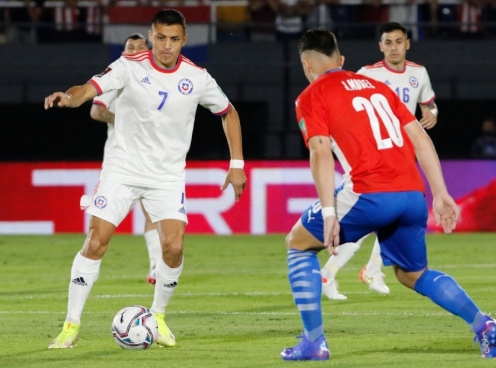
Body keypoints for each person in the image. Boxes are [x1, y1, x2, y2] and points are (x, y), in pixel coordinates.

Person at [280, 28, 496, 360]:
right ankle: (485, 327)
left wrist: (328, 213)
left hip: (370, 192)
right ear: (340, 60)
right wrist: (440, 193)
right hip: (411, 193)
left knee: (298, 243)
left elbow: (320, 151)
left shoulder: (312, 95)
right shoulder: (378, 87)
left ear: (307, 65)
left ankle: (313, 342)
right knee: (413, 274)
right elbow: (421, 139)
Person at [44, 9, 247, 349]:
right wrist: (70, 98)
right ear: (151, 36)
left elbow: (229, 113)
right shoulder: (128, 66)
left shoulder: (198, 77)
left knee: (174, 246)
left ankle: (158, 317)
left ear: (184, 40)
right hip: (122, 169)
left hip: (166, 176)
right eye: (161, 37)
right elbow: (88, 89)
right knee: (96, 242)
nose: (167, 46)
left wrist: (237, 163)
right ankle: (71, 325)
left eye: (175, 39)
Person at [321, 21, 439, 300]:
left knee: (391, 217)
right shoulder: (367, 74)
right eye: (388, 42)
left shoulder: (418, 73)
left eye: (398, 42)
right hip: (371, 157)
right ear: (380, 46)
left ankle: (369, 269)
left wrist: (432, 112)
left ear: (407, 44)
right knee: (373, 217)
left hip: (402, 155)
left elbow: (428, 103)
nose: (393, 47)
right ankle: (335, 272)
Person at [88, 32, 161, 285]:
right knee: (103, 218)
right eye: (131, 47)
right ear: (123, 52)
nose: (136, 51)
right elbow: (97, 111)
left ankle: (155, 268)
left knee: (152, 211)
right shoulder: (116, 75)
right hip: (121, 159)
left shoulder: (159, 80)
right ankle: (89, 267)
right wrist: (128, 123)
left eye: (141, 47)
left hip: (152, 157)